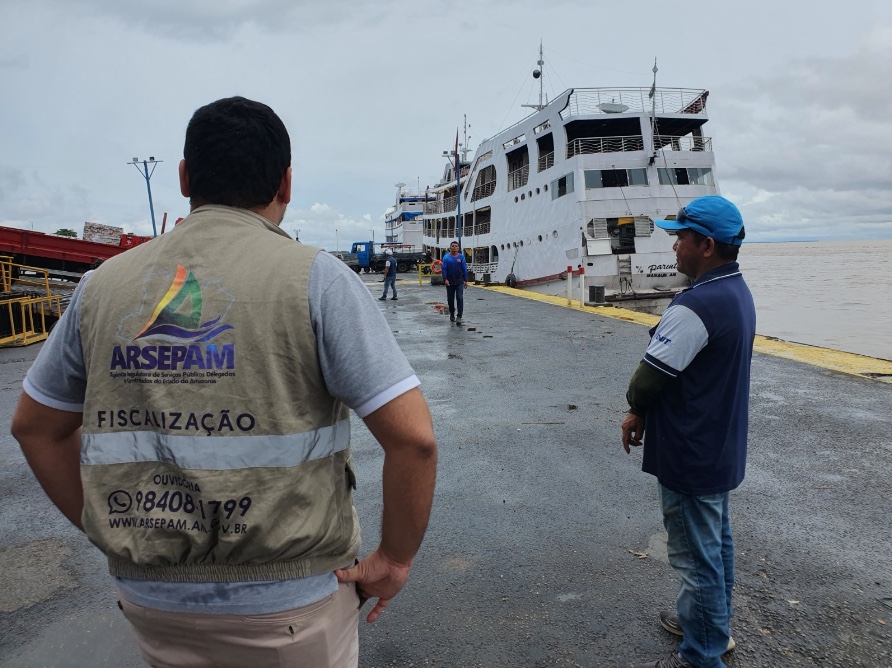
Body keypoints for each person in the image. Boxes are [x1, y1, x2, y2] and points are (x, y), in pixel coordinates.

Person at [10, 96, 438, 668]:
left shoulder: (101, 286)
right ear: (286, 184)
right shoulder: (317, 280)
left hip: (151, 600)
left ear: (185, 177)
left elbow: (35, 428)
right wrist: (395, 559)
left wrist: (107, 529)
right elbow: (414, 440)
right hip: (289, 604)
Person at [621, 196, 755, 668]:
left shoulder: (696, 304)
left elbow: (647, 379)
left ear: (707, 245)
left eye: (681, 237)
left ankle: (701, 654)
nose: (674, 246)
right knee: (715, 545)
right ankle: (710, 626)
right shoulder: (737, 292)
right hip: (719, 445)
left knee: (696, 558)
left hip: (689, 449)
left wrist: (635, 410)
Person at [441, 240, 468, 325]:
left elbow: (464, 269)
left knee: (459, 298)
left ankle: (459, 316)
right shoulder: (446, 257)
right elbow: (444, 269)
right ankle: (452, 313)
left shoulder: (461, 257)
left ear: (458, 248)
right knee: (450, 299)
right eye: (452, 246)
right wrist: (445, 279)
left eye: (456, 246)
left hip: (459, 281)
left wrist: (465, 280)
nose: (454, 247)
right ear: (450, 248)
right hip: (449, 281)